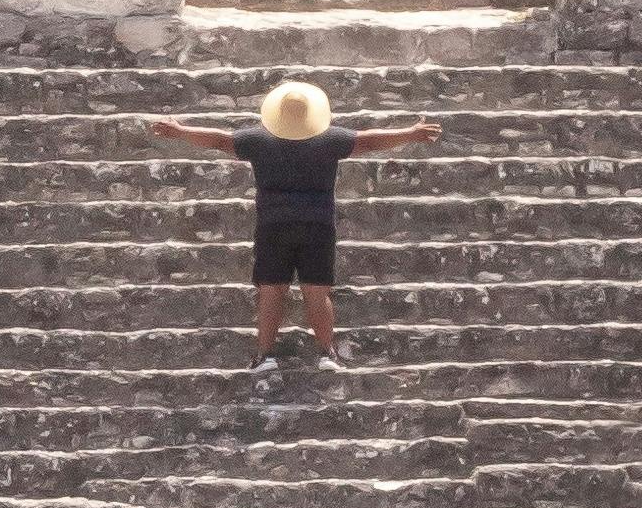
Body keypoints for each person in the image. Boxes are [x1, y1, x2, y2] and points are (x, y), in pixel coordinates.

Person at [143, 78, 442, 379]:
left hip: (274, 224)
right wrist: (411, 133)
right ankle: (328, 352)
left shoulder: (259, 141)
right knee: (317, 291)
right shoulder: (329, 140)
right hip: (318, 225)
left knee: (271, 290)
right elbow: (369, 140)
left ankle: (264, 356)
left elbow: (220, 140)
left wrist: (180, 132)